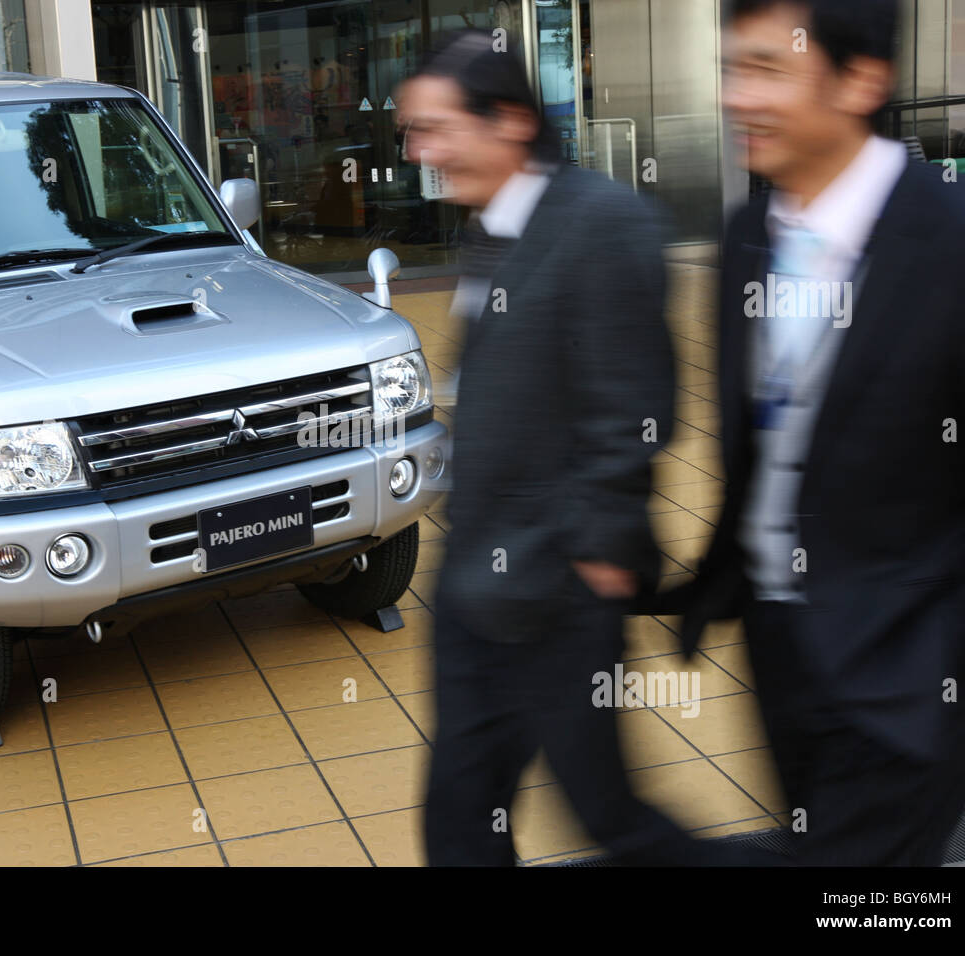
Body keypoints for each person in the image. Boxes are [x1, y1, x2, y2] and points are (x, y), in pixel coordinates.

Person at [654, 0, 965, 864]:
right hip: (783, 657)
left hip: (909, 686)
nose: (739, 97)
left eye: (769, 68)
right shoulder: (745, 238)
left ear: (861, 80)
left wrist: (951, 665)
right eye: (732, 68)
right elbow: (766, 449)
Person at [399, 30, 715, 866]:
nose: (419, 153)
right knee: (462, 819)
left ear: (506, 120)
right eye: (411, 132)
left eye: (434, 128)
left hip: (557, 590)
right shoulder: (492, 225)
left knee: (613, 821)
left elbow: (637, 403)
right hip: (477, 583)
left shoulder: (600, 222)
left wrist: (600, 551)